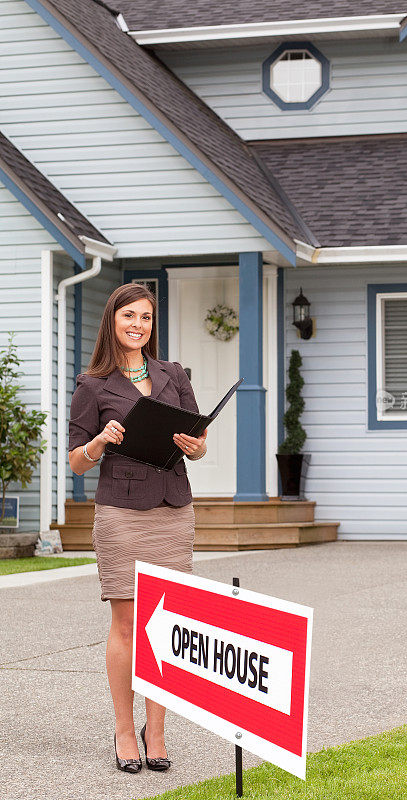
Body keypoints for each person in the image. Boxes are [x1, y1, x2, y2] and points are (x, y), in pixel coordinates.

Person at [68, 283, 207, 774]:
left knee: (165, 625)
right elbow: (76, 462)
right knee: (128, 625)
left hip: (173, 509)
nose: (139, 325)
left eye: (146, 317)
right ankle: (125, 731)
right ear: (113, 320)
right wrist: (101, 441)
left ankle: (158, 730)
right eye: (130, 315)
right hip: (122, 515)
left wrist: (196, 448)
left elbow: (200, 440)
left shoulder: (174, 375)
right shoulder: (92, 385)